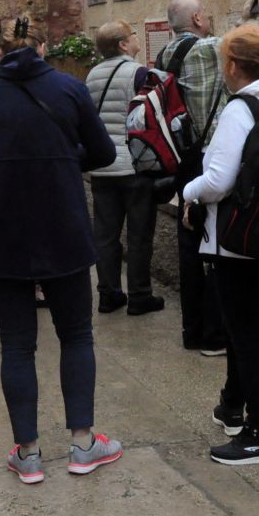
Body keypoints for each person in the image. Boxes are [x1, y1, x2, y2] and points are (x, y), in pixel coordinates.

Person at [0, 16, 122, 484]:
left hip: (2, 228)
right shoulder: (69, 89)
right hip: (62, 225)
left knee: (17, 344)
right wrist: (61, 159)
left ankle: (27, 453)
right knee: (77, 335)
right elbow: (104, 153)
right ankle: (83, 444)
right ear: (42, 46)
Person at [180, 24, 259, 466]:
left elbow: (218, 180)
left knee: (245, 337)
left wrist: (187, 192)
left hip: (235, 239)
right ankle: (232, 405)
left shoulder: (240, 109)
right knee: (240, 324)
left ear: (232, 65)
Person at [158, 0, 259, 355]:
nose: (208, 19)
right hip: (210, 160)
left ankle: (193, 330)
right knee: (215, 244)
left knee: (189, 246)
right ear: (196, 20)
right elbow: (257, 49)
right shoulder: (205, 50)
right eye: (205, 14)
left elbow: (227, 43)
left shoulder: (167, 53)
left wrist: (244, 15)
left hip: (183, 157)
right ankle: (214, 336)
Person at [85, 21, 163, 316]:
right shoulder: (138, 73)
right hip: (134, 165)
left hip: (103, 167)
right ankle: (140, 295)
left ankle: (108, 294)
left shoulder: (92, 75)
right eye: (132, 34)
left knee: (105, 235)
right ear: (122, 44)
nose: (135, 38)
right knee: (139, 234)